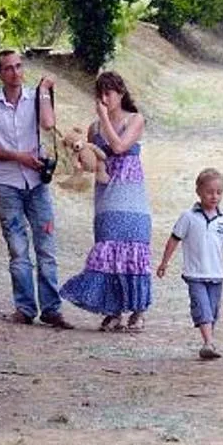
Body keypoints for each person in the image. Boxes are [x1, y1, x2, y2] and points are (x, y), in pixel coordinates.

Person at [0, 48, 70, 326]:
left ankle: (51, 309)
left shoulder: (34, 98)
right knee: (17, 249)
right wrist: (19, 157)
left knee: (46, 247)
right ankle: (25, 309)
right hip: (6, 184)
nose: (16, 73)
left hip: (37, 183)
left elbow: (48, 124)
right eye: (9, 68)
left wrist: (45, 91)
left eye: (19, 66)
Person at [58, 71, 153, 331]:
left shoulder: (136, 119)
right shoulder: (93, 127)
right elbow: (93, 158)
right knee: (107, 249)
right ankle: (113, 310)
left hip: (130, 193)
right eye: (100, 94)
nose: (103, 98)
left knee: (134, 247)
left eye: (108, 93)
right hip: (105, 195)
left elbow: (120, 146)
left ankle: (138, 310)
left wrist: (103, 117)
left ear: (120, 93)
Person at [154, 167, 223, 361]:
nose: (214, 196)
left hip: (216, 274)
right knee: (202, 308)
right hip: (195, 273)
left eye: (219, 192)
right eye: (209, 192)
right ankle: (208, 343)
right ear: (199, 192)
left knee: (212, 309)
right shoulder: (188, 217)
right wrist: (164, 262)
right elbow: (174, 240)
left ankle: (209, 339)